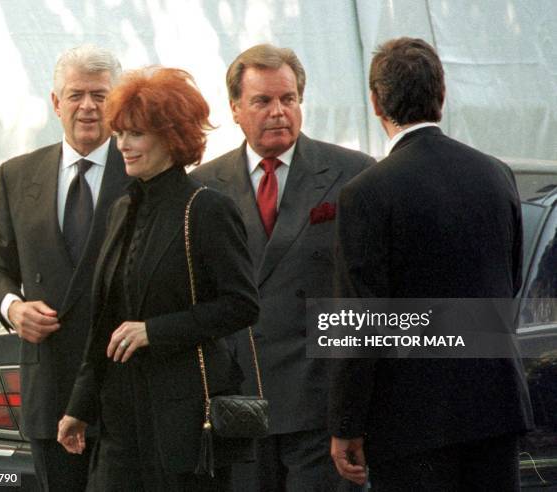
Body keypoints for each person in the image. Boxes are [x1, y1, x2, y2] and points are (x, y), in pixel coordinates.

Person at [328, 37, 534, 491]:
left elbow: (361, 322)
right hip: (495, 406)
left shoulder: (365, 193)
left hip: (411, 421)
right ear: (441, 95)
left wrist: (346, 423)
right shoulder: (496, 174)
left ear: (376, 101)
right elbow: (510, 283)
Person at [57, 66, 259, 492]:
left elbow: (242, 304)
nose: (123, 145)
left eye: (136, 134)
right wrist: (79, 405)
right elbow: (104, 321)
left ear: (171, 136)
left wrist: (155, 331)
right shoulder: (120, 210)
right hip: (119, 417)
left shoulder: (206, 209)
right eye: (120, 134)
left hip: (182, 421)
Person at [192, 44, 374, 491]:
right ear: (235, 109)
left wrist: (355, 411)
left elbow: (370, 295)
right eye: (262, 101)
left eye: (287, 99)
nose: (278, 112)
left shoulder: (353, 174)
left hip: (322, 408)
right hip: (239, 407)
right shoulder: (201, 187)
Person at [0, 45, 129, 491]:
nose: (87, 106)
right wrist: (13, 309)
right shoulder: (18, 175)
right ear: (55, 102)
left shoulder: (144, 170)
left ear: (117, 101)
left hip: (123, 387)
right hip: (51, 386)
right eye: (76, 94)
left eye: (100, 95)